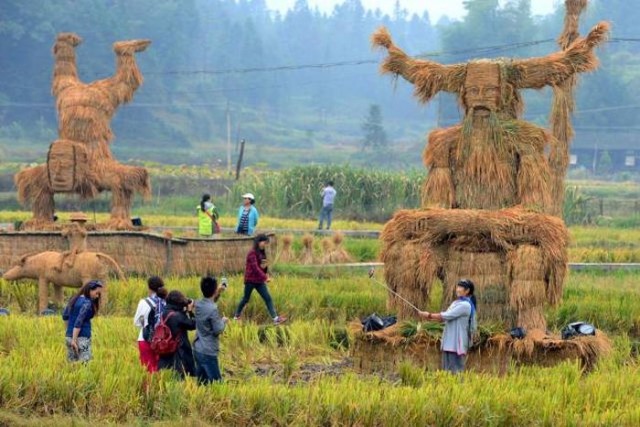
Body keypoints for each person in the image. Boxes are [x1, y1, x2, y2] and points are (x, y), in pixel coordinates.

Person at [417, 279, 477, 374]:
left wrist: (428, 315)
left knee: (456, 372)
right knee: (446, 372)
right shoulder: (455, 303)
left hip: (456, 344)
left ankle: (458, 389)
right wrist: (429, 317)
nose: (457, 289)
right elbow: (444, 317)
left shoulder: (466, 305)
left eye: (460, 287)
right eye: (457, 286)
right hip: (448, 342)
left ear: (467, 290)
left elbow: (447, 315)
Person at [233, 234, 286, 325]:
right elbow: (255, 268)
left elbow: (261, 268)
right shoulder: (252, 253)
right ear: (258, 242)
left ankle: (275, 318)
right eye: (264, 242)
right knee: (246, 298)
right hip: (250, 280)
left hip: (259, 281)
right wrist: (265, 277)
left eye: (266, 243)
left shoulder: (262, 253)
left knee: (268, 298)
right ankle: (236, 317)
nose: (265, 245)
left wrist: (265, 269)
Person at [193, 276, 228, 384]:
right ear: (214, 291)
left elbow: (209, 299)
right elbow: (218, 329)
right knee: (217, 383)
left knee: (202, 383)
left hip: (197, 348)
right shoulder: (213, 309)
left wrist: (218, 291)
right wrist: (223, 321)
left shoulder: (198, 304)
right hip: (208, 350)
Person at [157, 290, 197, 379]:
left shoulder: (165, 312)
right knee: (178, 377)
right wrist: (190, 311)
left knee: (167, 377)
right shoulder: (178, 316)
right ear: (179, 302)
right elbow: (194, 324)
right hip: (178, 352)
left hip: (165, 349)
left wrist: (184, 311)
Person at [62, 280, 103, 363]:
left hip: (69, 337)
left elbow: (65, 316)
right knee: (85, 365)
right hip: (82, 338)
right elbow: (79, 321)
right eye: (97, 293)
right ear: (90, 290)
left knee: (71, 365)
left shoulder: (74, 299)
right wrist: (74, 340)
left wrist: (70, 334)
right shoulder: (87, 303)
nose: (98, 296)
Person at [133, 276, 166, 373]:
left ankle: (150, 388)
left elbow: (137, 322)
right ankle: (159, 387)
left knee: (148, 370)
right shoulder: (166, 302)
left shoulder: (144, 302)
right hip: (163, 341)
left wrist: (145, 323)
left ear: (149, 288)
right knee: (160, 370)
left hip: (146, 338)